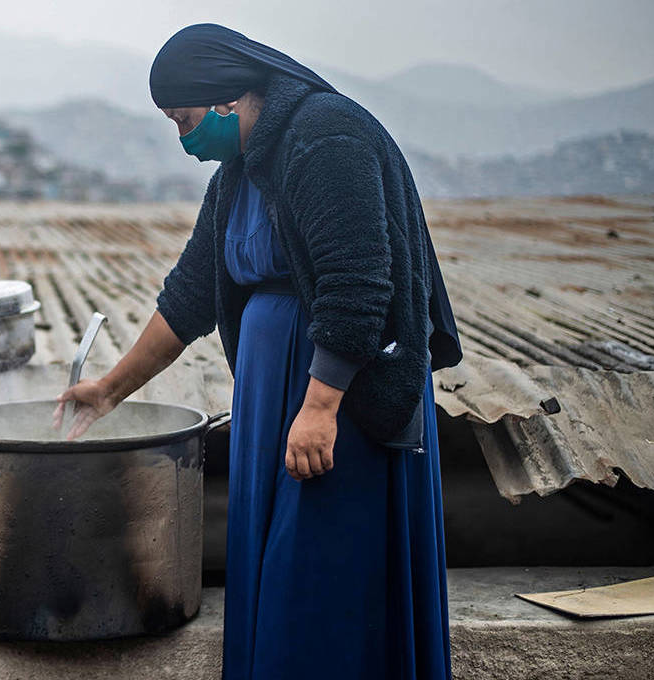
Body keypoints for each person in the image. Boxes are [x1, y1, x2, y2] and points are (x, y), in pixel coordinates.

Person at [54, 24, 462, 680]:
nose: (183, 138)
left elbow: (359, 281)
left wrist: (320, 406)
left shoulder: (324, 135)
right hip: (280, 399)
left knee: (322, 584)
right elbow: (189, 296)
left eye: (183, 119)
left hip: (340, 401)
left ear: (223, 99)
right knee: (283, 579)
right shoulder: (242, 172)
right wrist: (108, 389)